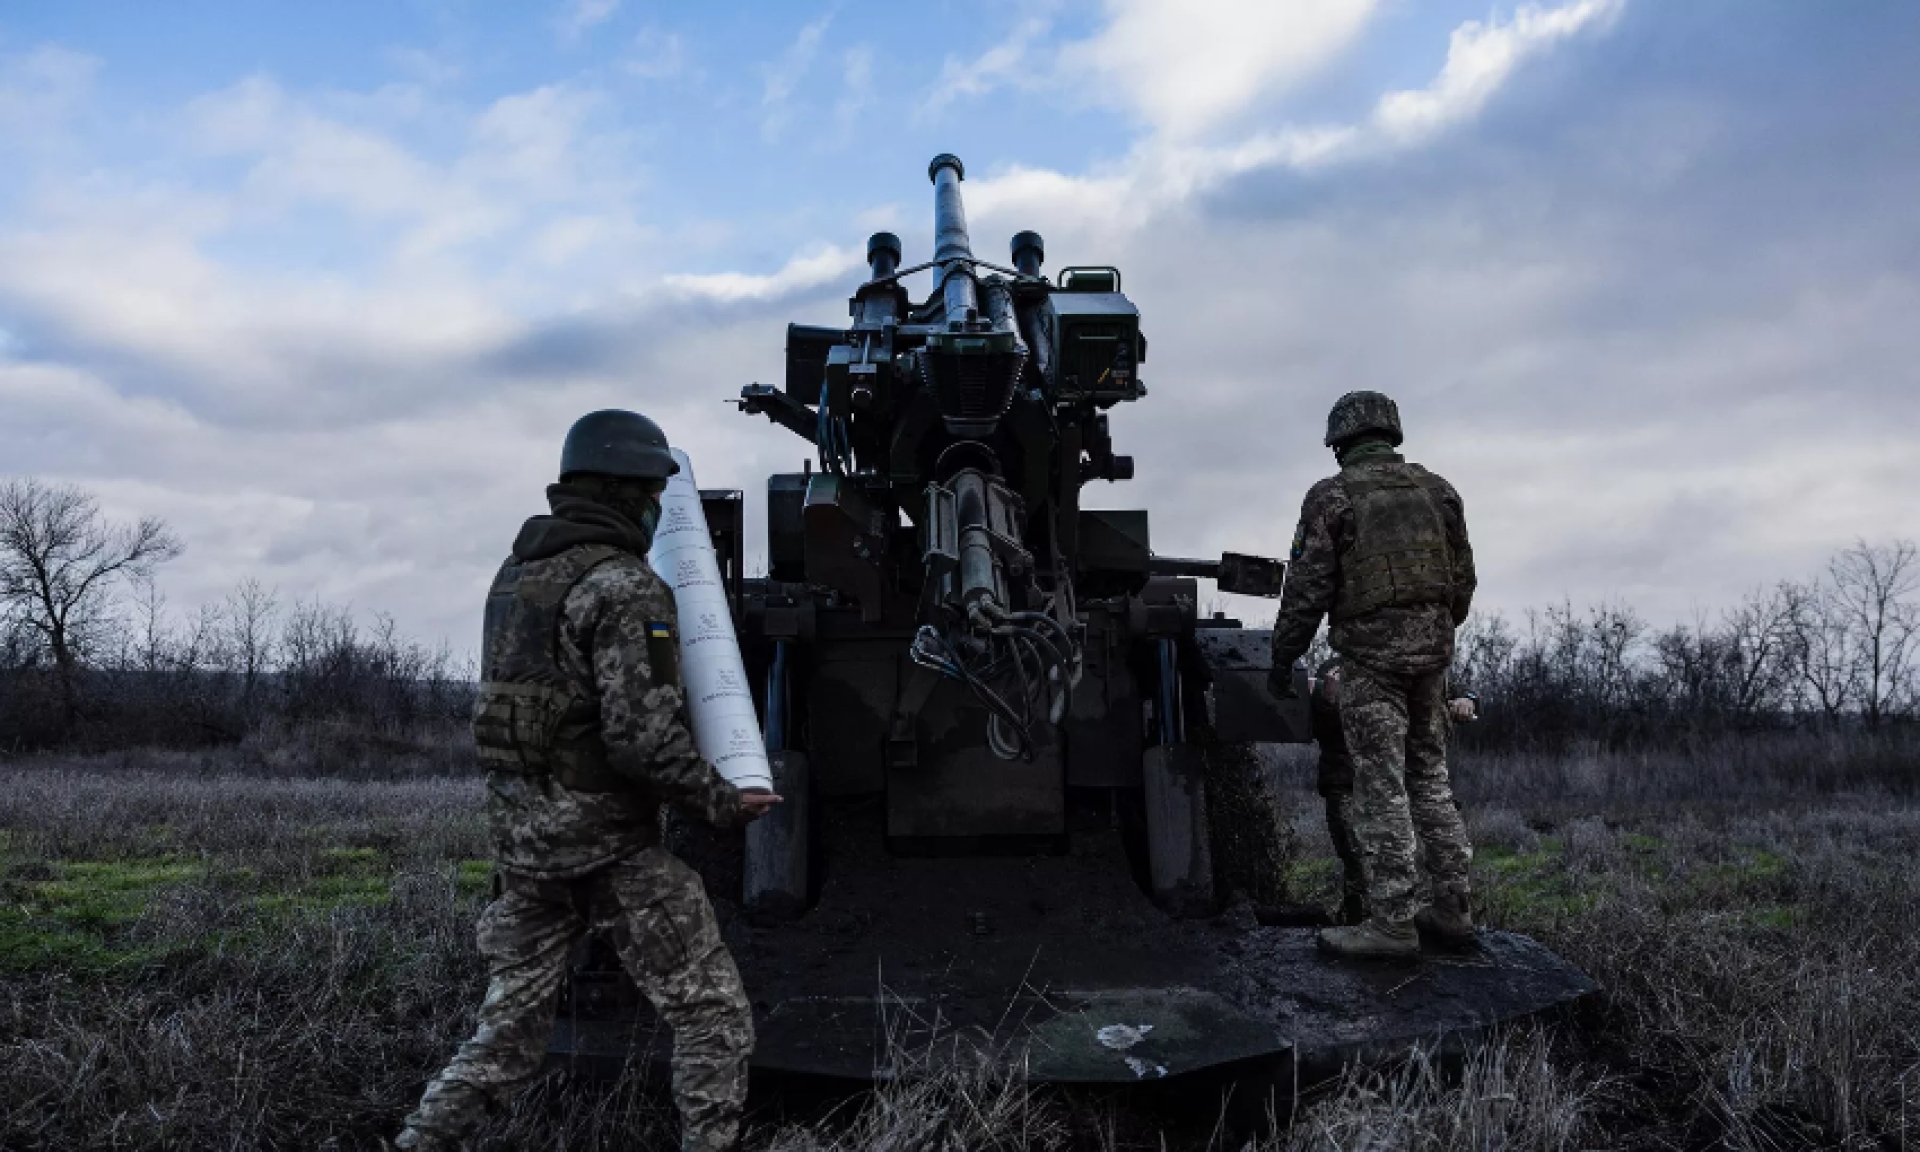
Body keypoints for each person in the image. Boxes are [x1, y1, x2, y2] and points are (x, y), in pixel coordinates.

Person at [397, 410, 781, 1152]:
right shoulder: (626, 588)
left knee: (503, 1043)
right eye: (649, 494)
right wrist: (723, 802)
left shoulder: (515, 579)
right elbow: (642, 742)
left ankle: (418, 1142)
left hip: (526, 853)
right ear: (623, 492)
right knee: (713, 1016)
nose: (653, 508)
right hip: (607, 851)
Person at [1269, 391, 1477, 960]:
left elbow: (1307, 589)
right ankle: (1455, 913)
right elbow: (1463, 582)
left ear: (1340, 443)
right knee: (1430, 779)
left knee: (1379, 785)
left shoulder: (1332, 496)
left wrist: (1283, 657)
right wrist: (1431, 635)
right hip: (1431, 660)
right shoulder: (1440, 492)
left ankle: (1391, 925)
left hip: (1370, 664)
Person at [1310, 655, 1477, 927]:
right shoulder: (1336, 668)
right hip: (1348, 783)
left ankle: (1407, 925)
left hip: (1401, 786)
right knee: (1361, 865)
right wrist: (1328, 703)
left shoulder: (1412, 663)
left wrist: (1467, 700)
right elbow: (1321, 729)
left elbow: (1458, 694)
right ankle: (1361, 925)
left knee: (1406, 863)